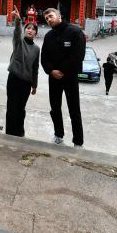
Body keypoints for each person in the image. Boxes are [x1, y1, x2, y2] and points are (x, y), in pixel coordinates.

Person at [40, 8, 86, 147]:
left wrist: (62, 70)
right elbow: (44, 57)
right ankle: (58, 135)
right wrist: (51, 71)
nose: (49, 19)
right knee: (55, 108)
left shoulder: (75, 32)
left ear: (59, 16)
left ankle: (78, 142)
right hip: (53, 78)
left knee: (74, 109)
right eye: (46, 18)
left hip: (70, 77)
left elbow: (78, 56)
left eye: (51, 16)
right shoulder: (48, 36)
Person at [5, 5, 40, 137]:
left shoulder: (37, 49)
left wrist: (34, 85)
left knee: (21, 109)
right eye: (28, 28)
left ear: (36, 34)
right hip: (14, 79)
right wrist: (18, 20)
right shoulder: (19, 42)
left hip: (26, 83)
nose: (30, 30)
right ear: (25, 31)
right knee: (12, 107)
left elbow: (35, 68)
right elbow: (16, 32)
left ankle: (19, 132)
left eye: (33, 29)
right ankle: (9, 134)